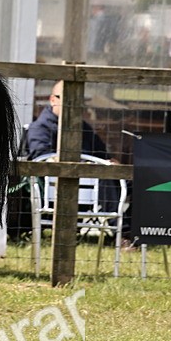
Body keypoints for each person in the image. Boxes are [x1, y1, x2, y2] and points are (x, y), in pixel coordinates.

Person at [26, 81, 124, 235]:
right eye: (67, 100)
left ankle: (140, 231)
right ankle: (122, 234)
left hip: (91, 185)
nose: (72, 105)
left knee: (135, 182)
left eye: (77, 101)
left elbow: (100, 153)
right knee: (107, 179)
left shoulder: (83, 126)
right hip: (57, 190)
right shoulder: (40, 128)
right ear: (53, 100)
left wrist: (111, 161)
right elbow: (40, 158)